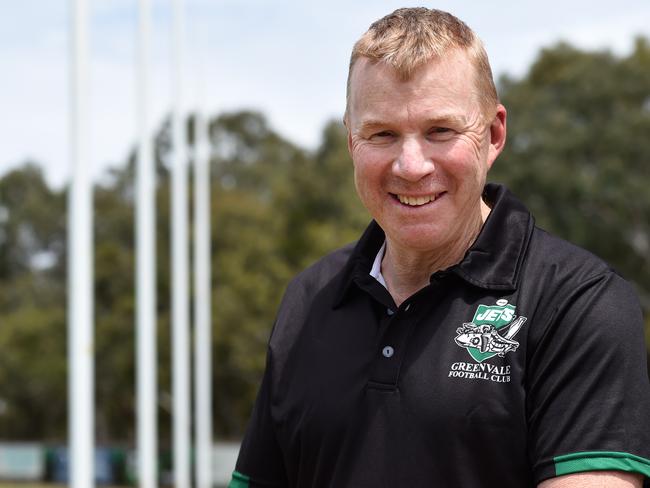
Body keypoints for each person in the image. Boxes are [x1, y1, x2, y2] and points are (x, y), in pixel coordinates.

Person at [229, 8, 650, 488]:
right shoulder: (308, 300)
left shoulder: (580, 302)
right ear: (351, 140)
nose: (411, 166)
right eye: (382, 134)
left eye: (441, 131)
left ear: (493, 134)